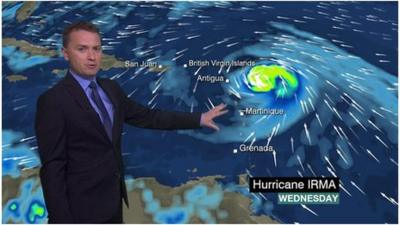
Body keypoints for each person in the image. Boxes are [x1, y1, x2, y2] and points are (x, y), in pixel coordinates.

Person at [34, 21, 228, 223]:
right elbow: (52, 167)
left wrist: (199, 118)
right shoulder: (53, 101)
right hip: (79, 211)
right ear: (66, 53)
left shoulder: (110, 89)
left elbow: (149, 117)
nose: (92, 57)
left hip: (113, 204)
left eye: (96, 49)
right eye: (82, 49)